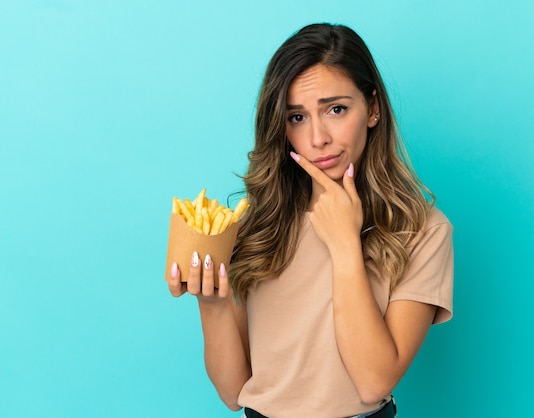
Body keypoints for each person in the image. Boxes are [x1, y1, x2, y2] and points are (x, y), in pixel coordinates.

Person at [168, 23, 453, 418]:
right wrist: (210, 302)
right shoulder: (256, 224)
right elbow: (234, 393)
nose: (317, 137)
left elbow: (374, 381)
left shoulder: (423, 229)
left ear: (373, 109)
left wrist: (344, 244)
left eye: (336, 109)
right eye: (297, 117)